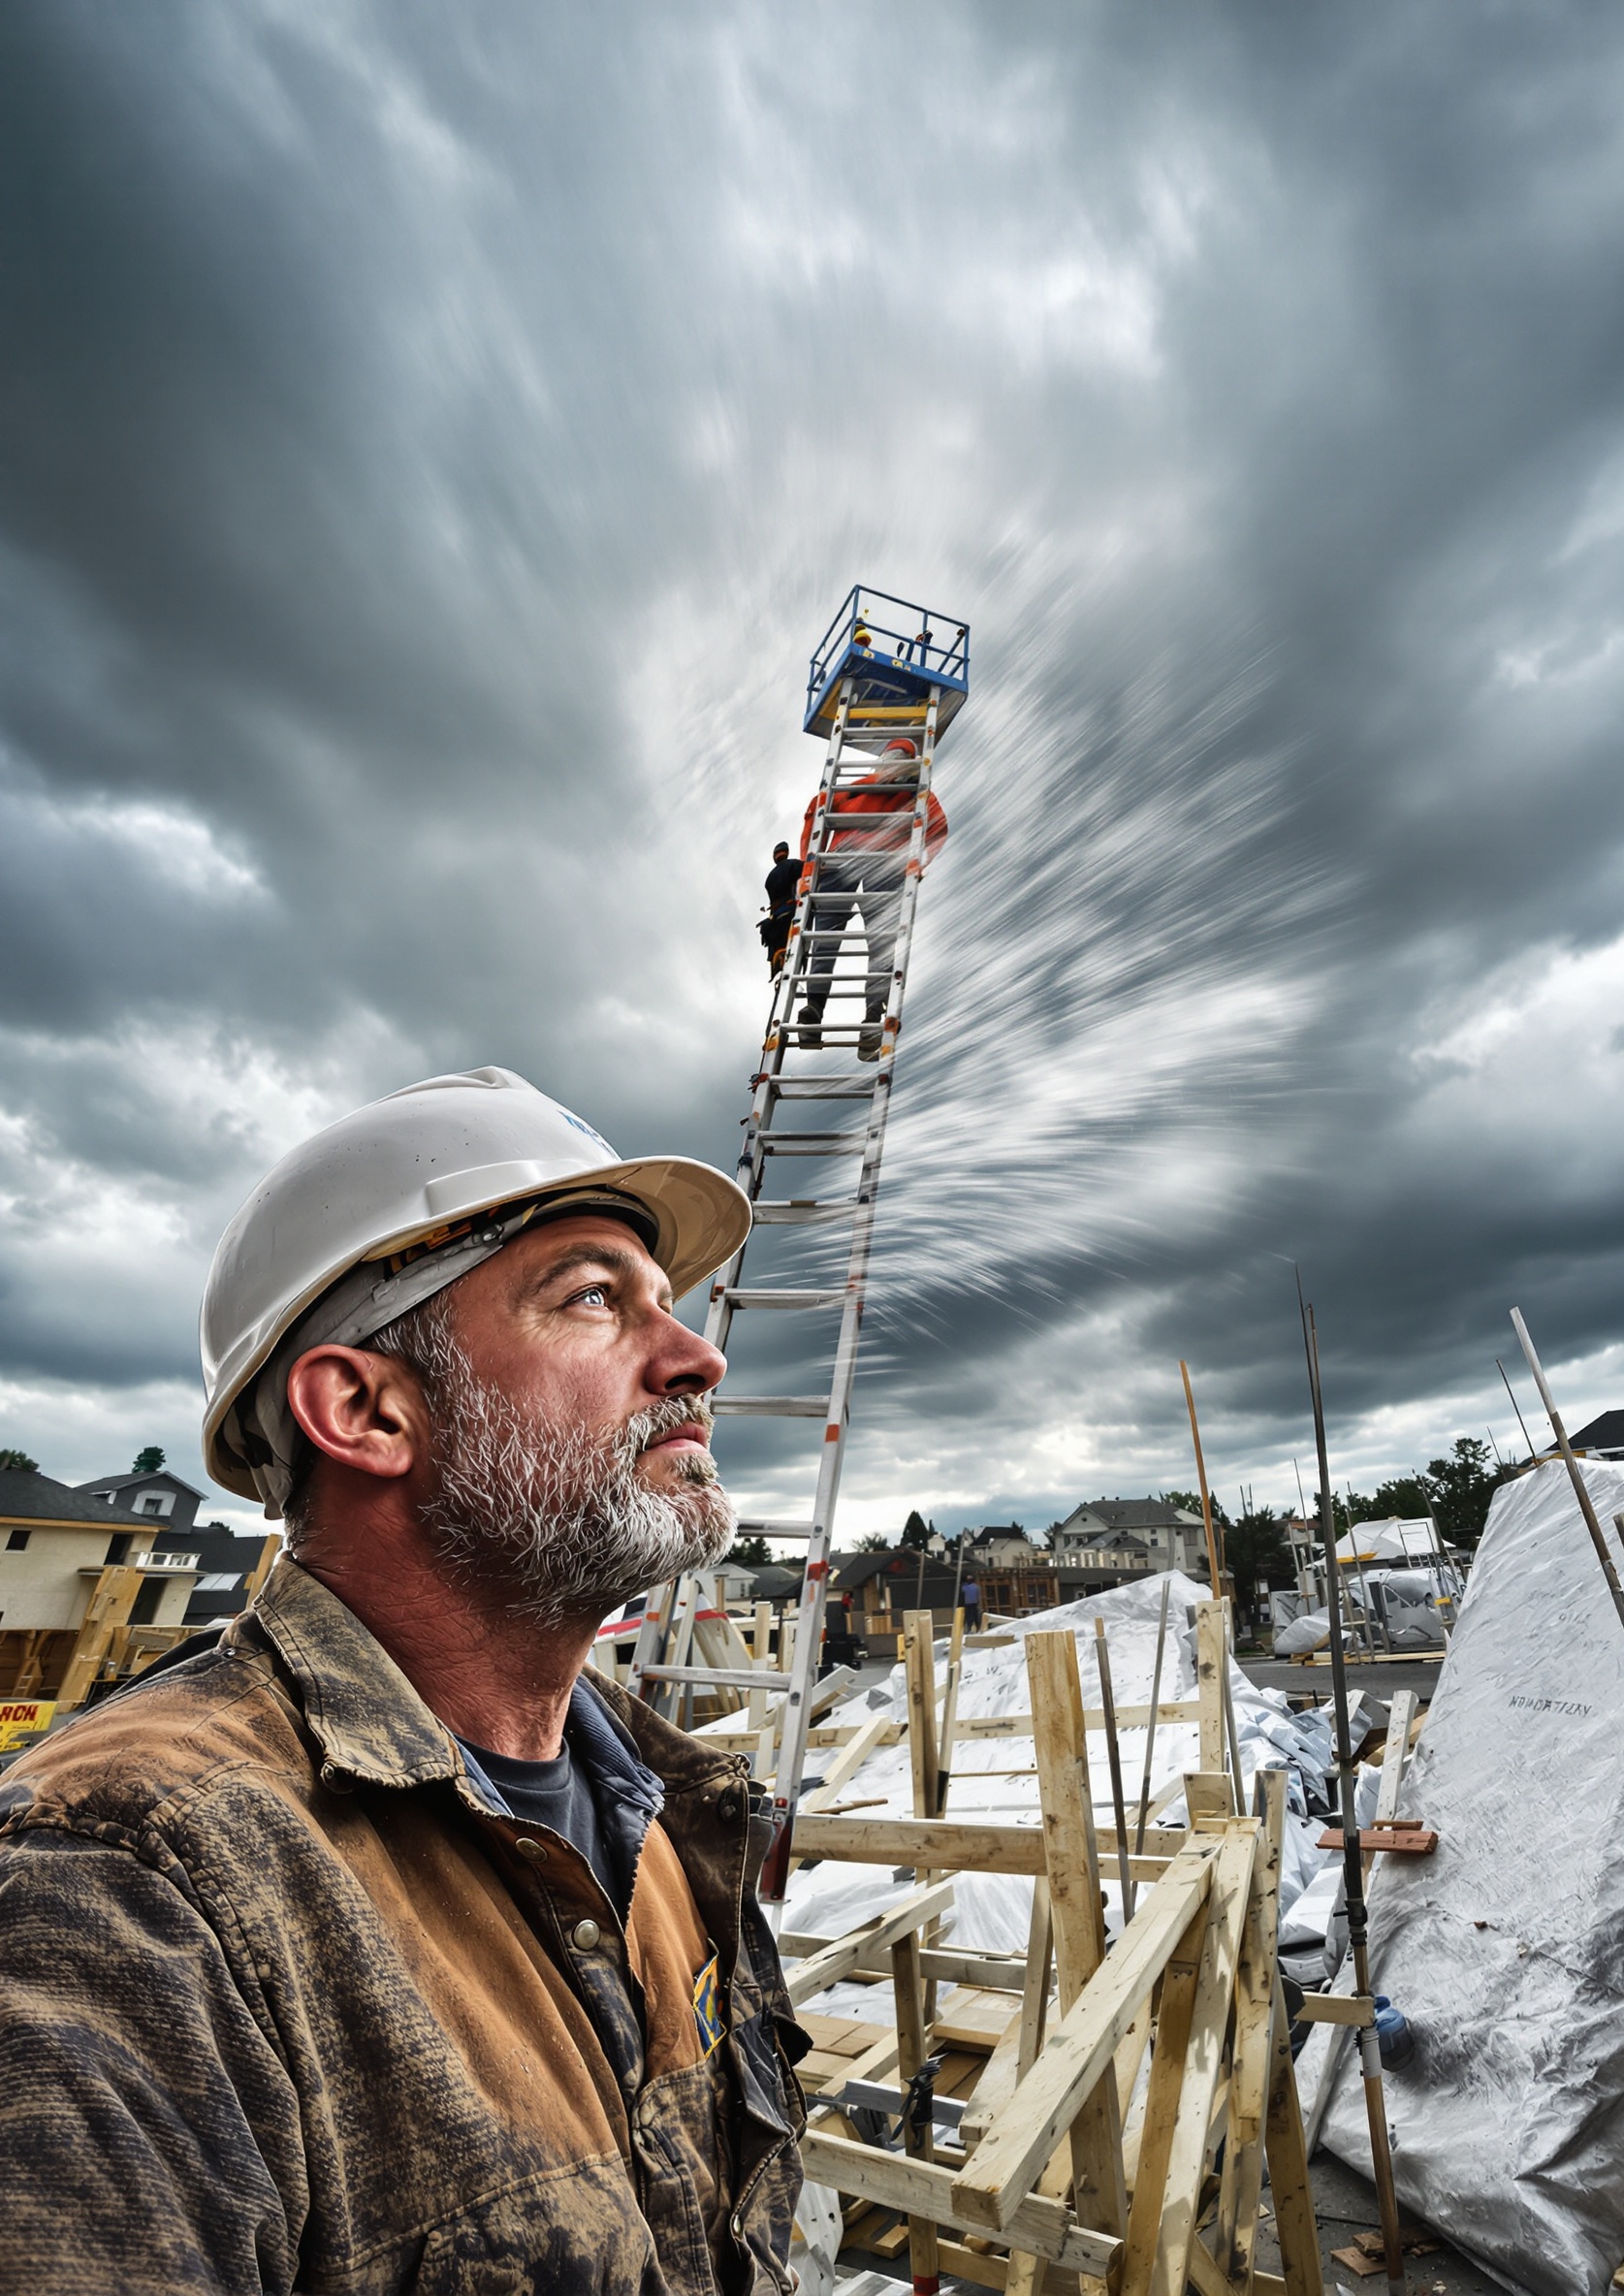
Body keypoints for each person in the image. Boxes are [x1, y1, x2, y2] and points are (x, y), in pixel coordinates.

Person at [0, 1067, 807, 2296]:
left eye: (668, 1301)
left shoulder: (660, 1808)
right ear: (367, 1409)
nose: (696, 1356)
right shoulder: (122, 1893)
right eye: (594, 1296)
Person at [794, 737, 948, 1060]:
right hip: (884, 859)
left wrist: (809, 864)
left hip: (844, 857)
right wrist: (918, 864)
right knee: (879, 941)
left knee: (826, 936)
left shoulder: (860, 786)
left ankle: (815, 1009)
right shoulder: (919, 792)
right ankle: (870, 1018)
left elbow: (816, 810)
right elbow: (937, 828)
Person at [758, 839, 801, 978]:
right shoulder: (793, 865)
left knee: (780, 949)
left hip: (775, 918)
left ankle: (779, 968)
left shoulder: (769, 878)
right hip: (790, 912)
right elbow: (810, 869)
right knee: (793, 946)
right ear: (786, 853)